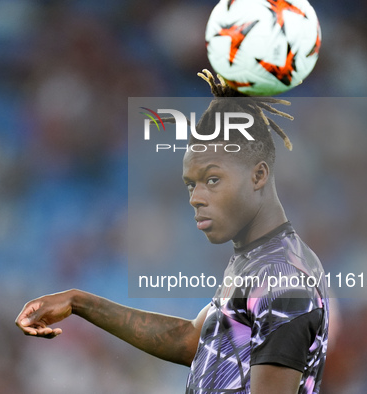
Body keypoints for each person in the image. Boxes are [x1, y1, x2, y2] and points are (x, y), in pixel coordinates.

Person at [16, 69, 329, 394]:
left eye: (212, 180)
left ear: (258, 176)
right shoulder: (257, 261)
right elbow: (189, 340)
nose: (196, 198)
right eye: (191, 184)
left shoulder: (282, 282)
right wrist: (79, 302)